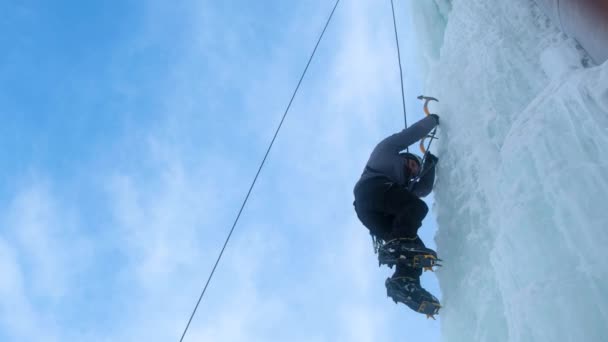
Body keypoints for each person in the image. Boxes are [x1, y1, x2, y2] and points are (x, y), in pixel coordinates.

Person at [353, 114, 441, 316]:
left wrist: (431, 163)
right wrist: (433, 120)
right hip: (370, 190)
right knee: (416, 209)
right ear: (404, 156)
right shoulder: (385, 152)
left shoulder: (402, 188)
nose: (412, 169)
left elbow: (424, 189)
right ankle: (397, 246)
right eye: (412, 163)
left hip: (372, 214)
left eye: (415, 170)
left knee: (416, 248)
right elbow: (410, 134)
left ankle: (404, 282)